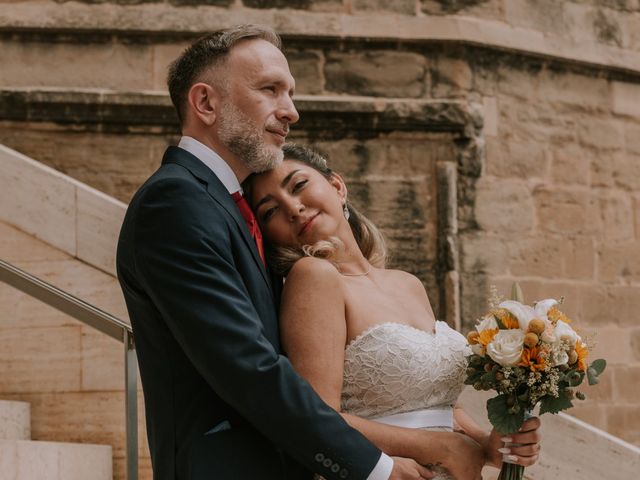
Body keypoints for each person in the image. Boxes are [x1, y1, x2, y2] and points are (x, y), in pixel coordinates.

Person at [116, 25, 437, 480]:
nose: (292, 112)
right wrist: (377, 468)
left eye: (289, 93)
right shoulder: (173, 202)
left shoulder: (227, 206)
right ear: (205, 103)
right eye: (270, 90)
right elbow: (249, 368)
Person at [243, 143, 543, 480]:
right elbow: (318, 417)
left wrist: (489, 444)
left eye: (298, 186)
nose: (294, 208)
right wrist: (441, 447)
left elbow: (434, 400)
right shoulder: (313, 277)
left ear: (337, 186)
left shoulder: (408, 283)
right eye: (270, 212)